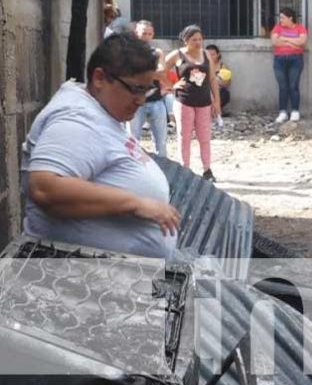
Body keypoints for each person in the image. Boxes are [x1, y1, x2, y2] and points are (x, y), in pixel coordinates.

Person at [20, 33, 180, 259]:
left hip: (123, 273)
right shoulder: (77, 119)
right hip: (78, 278)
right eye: (136, 89)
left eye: (147, 90)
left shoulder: (99, 109)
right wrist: (134, 203)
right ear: (99, 78)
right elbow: (45, 187)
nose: (141, 100)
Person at [163, 25, 221, 182]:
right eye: (194, 39)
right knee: (184, 136)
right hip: (184, 101)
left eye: (200, 39)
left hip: (204, 102)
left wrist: (217, 101)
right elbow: (161, 68)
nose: (198, 42)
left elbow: (212, 79)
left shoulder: (206, 55)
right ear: (186, 40)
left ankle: (207, 169)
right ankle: (185, 169)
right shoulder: (178, 54)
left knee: (205, 137)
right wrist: (170, 85)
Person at [130, 20, 168, 157]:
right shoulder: (129, 53)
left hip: (156, 101)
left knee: (161, 142)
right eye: (143, 33)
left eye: (149, 33)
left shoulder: (157, 52)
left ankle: (163, 171)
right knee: (132, 141)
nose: (146, 36)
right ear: (136, 33)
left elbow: (162, 73)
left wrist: (141, 73)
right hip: (135, 102)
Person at [271, 7, 308, 124]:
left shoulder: (300, 28)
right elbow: (275, 42)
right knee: (283, 87)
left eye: (283, 18)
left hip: (295, 60)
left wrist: (285, 39)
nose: (280, 20)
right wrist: (293, 42)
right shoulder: (277, 28)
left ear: (290, 18)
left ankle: (295, 111)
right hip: (279, 60)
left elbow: (302, 42)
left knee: (293, 85)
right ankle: (282, 112)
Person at [206, 44, 233, 115]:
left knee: (225, 94)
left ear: (218, 55)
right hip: (206, 91)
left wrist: (217, 82)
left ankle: (216, 110)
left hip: (218, 91)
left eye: (213, 54)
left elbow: (227, 83)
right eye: (209, 55)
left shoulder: (223, 67)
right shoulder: (203, 66)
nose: (211, 57)